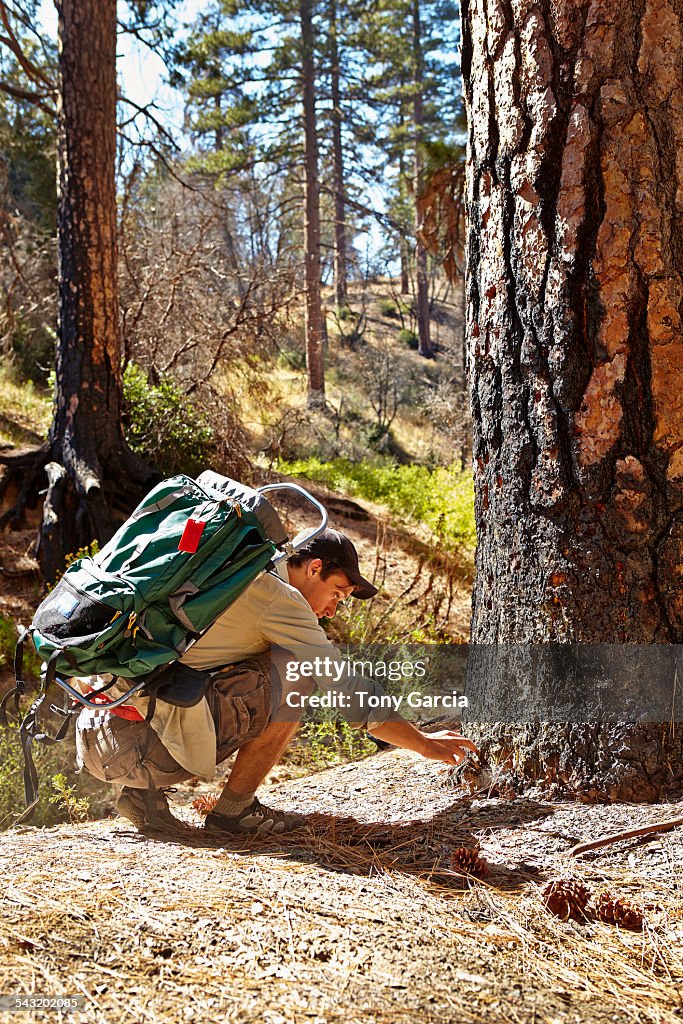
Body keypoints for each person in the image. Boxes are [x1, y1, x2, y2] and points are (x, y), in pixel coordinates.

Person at [74, 528, 478, 834]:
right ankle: (235, 810)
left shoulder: (237, 572)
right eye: (338, 592)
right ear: (314, 567)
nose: (335, 609)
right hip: (134, 750)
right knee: (298, 672)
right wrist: (423, 744)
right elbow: (348, 690)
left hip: (97, 734)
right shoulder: (279, 597)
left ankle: (143, 794)